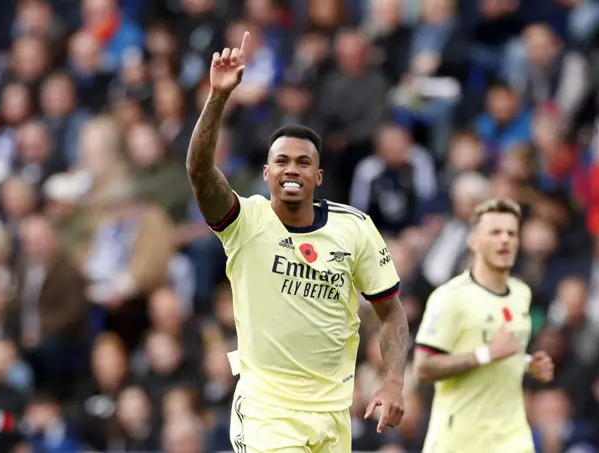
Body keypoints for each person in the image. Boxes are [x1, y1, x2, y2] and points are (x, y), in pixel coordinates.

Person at [186, 32, 410, 452]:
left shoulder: (354, 228)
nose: (293, 169)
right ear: (267, 173)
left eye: (304, 162)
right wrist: (218, 98)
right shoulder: (245, 220)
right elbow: (199, 171)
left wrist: (394, 380)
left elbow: (391, 311)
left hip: (332, 416)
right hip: (266, 413)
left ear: (318, 177)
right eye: (282, 161)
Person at [413, 198, 555, 453]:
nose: (505, 239)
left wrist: (528, 364)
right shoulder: (450, 297)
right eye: (495, 232)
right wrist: (486, 355)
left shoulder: (521, 293)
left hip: (513, 437)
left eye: (511, 233)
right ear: (473, 241)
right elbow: (423, 369)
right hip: (460, 439)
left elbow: (507, 350)